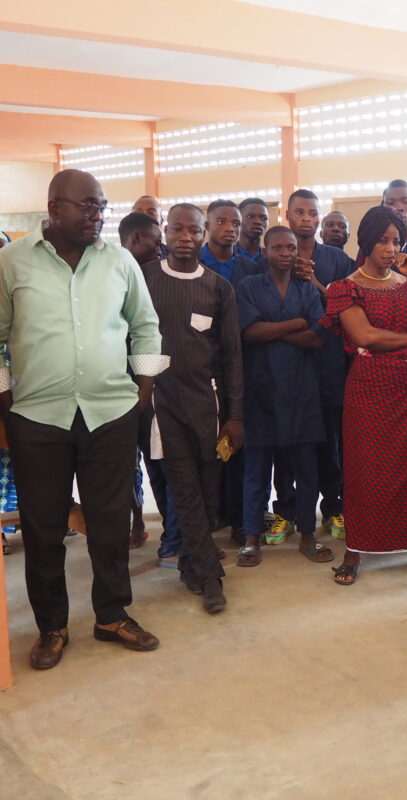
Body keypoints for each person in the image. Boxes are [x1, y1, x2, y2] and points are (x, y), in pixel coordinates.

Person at [0, 169, 166, 669]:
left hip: (110, 413)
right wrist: (6, 408)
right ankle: (51, 626)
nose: (97, 216)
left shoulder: (118, 261)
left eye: (101, 206)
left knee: (110, 522)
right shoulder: (11, 261)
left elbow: (146, 326)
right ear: (54, 208)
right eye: (87, 206)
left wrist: (142, 391)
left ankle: (111, 615)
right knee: (45, 527)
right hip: (37, 417)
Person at [321, 206, 407, 585]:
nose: (391, 248)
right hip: (370, 393)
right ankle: (356, 550)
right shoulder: (346, 287)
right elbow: (366, 337)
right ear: (366, 241)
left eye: (396, 241)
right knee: (365, 472)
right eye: (383, 240)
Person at [142, 203, 244, 614]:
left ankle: (188, 562)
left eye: (194, 231)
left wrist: (235, 415)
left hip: (210, 407)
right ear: (164, 232)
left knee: (206, 494)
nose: (186, 237)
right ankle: (211, 577)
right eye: (178, 229)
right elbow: (131, 340)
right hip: (163, 407)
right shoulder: (145, 280)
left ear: (204, 236)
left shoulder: (219, 287)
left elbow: (233, 356)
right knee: (184, 491)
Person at [236, 226, 332, 567]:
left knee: (307, 471)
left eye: (291, 247)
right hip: (261, 392)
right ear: (265, 251)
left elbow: (318, 338)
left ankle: (308, 534)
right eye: (277, 247)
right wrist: (295, 323)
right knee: (256, 470)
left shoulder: (307, 289)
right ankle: (251, 538)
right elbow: (250, 332)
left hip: (301, 392)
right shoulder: (248, 287)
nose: (285, 252)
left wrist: (273, 330)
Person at [270, 189, 352, 543]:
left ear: (319, 218)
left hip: (328, 362)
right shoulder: (273, 257)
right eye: (299, 212)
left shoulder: (336, 259)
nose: (306, 218)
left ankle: (333, 506)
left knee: (329, 441)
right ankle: (285, 509)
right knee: (286, 441)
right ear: (287, 216)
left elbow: (348, 308)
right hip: (286, 367)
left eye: (312, 213)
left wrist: (315, 283)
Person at [118, 212, 185, 566]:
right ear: (134, 240)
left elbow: (157, 337)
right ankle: (165, 535)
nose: (160, 247)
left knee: (168, 464)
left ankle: (173, 541)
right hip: (126, 391)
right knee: (149, 466)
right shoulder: (121, 278)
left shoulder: (158, 277)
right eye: (155, 241)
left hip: (157, 388)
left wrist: (153, 386)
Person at [199, 199, 259, 545]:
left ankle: (239, 517)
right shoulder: (194, 264)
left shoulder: (251, 270)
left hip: (241, 368)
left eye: (235, 223)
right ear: (208, 226)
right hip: (202, 368)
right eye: (222, 221)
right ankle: (209, 513)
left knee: (238, 444)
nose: (230, 228)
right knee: (205, 446)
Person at [236, 197, 269, 263]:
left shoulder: (271, 258)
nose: (258, 222)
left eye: (264, 218)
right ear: (238, 221)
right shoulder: (227, 256)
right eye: (250, 217)